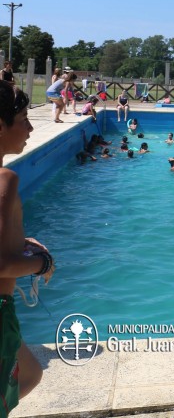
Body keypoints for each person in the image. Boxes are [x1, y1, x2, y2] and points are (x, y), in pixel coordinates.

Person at [0, 82, 52, 410]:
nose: (31, 127)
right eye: (22, 118)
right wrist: (43, 263)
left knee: (30, 374)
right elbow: (3, 264)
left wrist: (21, 241)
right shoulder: (5, 179)